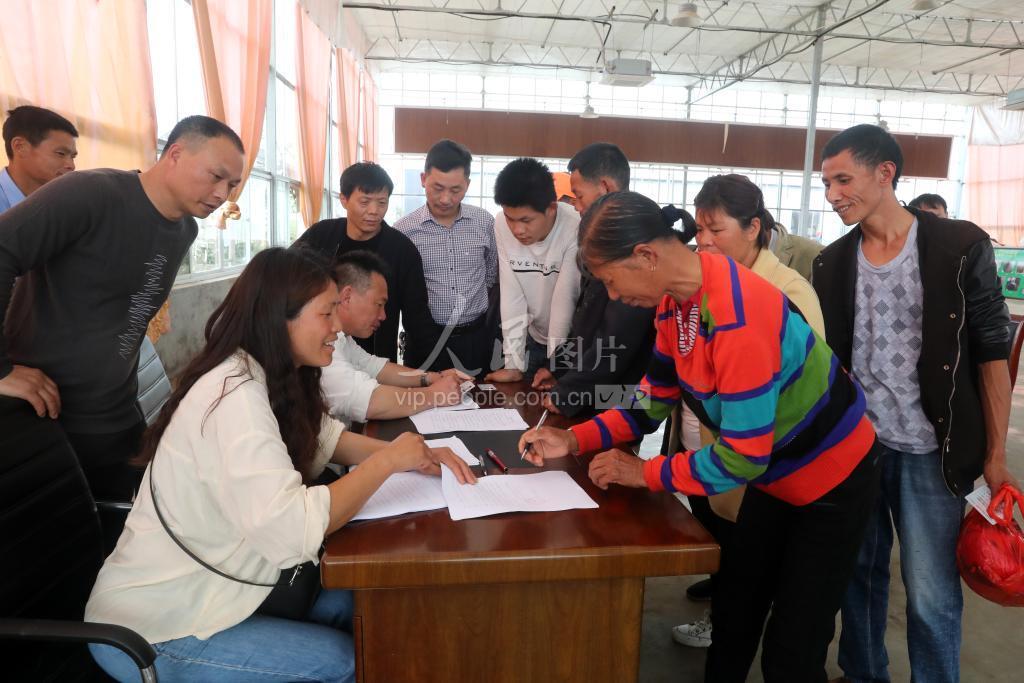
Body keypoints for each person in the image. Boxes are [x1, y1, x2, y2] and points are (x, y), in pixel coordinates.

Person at [519, 191, 880, 683]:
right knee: (735, 609)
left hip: (831, 477)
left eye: (611, 281)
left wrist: (645, 472)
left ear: (645, 256)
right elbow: (650, 402)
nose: (614, 297)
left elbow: (742, 458)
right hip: (775, 473)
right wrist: (575, 439)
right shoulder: (675, 304)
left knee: (794, 645)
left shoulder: (738, 315)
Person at [85, 247, 475, 682]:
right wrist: (387, 461)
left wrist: (411, 456)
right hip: (158, 625)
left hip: (221, 581)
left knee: (356, 601)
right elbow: (292, 528)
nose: (337, 327)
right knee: (345, 663)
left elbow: (327, 440)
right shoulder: (234, 397)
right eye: (326, 314)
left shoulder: (268, 372)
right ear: (280, 318)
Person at [814, 124, 1014, 683]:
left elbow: (991, 354)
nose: (832, 195)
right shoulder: (832, 263)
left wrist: (995, 454)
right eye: (826, 184)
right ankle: (863, 675)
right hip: (858, 449)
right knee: (858, 581)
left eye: (842, 180)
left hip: (932, 450)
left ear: (885, 174)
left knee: (930, 595)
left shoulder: (959, 246)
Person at [0, 114, 245, 501]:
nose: (221, 194)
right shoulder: (91, 194)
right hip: (49, 415)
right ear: (175, 154)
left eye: (232, 185)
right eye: (216, 176)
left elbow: (129, 314)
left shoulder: (184, 230)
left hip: (117, 414)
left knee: (130, 520)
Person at [669, 173, 827, 649]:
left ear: (754, 227)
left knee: (749, 556)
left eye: (716, 230)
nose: (704, 241)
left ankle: (731, 621)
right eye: (699, 229)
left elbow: (802, 392)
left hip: (753, 455)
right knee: (716, 529)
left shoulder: (788, 291)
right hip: (702, 440)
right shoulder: (702, 282)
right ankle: (723, 595)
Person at [531, 143, 656, 417]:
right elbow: (586, 324)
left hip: (621, 398)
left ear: (605, 187)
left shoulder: (635, 242)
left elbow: (616, 341)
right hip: (590, 391)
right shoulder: (606, 237)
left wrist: (568, 392)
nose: (576, 206)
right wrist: (557, 368)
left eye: (578, 196)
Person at [294, 162, 435, 367]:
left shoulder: (402, 250)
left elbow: (417, 317)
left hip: (377, 355)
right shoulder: (321, 236)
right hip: (320, 351)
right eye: (365, 202)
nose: (374, 211)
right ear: (344, 199)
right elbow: (287, 281)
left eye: (382, 202)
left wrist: (431, 369)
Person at [320, 249, 468, 422]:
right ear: (347, 297)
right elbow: (369, 401)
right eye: (379, 304)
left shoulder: (342, 337)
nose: (383, 316)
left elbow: (374, 367)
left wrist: (432, 377)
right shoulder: (323, 341)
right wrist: (434, 394)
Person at [395, 139, 498, 377]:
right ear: (423, 179)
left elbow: (491, 274)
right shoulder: (404, 231)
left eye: (455, 190)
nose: (445, 199)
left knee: (478, 397)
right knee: (423, 397)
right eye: (438, 188)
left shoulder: (484, 223)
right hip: (424, 340)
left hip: (475, 339)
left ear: (467, 185)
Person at [484, 158, 580, 383]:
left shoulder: (574, 225)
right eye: (510, 218)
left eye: (526, 220)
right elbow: (512, 295)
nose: (517, 229)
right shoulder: (500, 224)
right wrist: (513, 364)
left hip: (572, 346)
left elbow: (565, 300)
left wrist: (556, 368)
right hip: (534, 339)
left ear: (551, 209)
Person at [1, 105, 79, 212]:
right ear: (20, 147)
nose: (71, 166)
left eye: (73, 157)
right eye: (61, 153)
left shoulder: (65, 205)